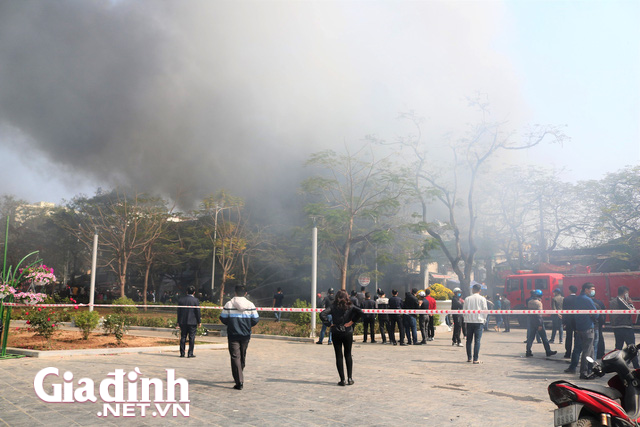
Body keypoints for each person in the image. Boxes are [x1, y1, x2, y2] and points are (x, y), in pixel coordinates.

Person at [220, 285, 260, 390]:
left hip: (233, 334)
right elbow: (255, 319)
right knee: (242, 355)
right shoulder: (250, 304)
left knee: (235, 356)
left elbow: (223, 318)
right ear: (245, 293)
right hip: (246, 334)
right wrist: (247, 325)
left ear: (235, 292)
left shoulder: (229, 304)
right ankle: (239, 373)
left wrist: (231, 323)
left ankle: (239, 380)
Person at [320, 289, 362, 386]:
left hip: (336, 332)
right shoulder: (350, 306)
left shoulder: (333, 306)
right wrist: (352, 321)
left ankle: (342, 380)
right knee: (348, 354)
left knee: (338, 355)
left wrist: (329, 324)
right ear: (347, 296)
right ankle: (350, 378)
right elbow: (360, 311)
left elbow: (322, 314)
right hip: (348, 332)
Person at [564, 283, 599, 379]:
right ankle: (584, 372)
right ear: (586, 290)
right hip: (588, 327)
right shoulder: (587, 300)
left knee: (587, 350)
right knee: (587, 352)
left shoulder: (578, 299)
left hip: (579, 328)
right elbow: (596, 314)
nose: (593, 291)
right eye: (592, 289)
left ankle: (590, 370)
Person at [609, 286, 640, 369]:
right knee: (632, 348)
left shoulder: (612, 301)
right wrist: (630, 303)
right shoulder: (622, 300)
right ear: (625, 293)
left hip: (616, 327)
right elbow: (632, 311)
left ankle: (615, 364)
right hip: (626, 327)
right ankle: (636, 366)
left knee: (618, 347)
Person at [525, 289, 557, 358]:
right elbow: (539, 314)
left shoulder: (530, 301)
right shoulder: (539, 303)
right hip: (538, 322)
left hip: (531, 321)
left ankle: (528, 351)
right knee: (544, 338)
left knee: (531, 338)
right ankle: (548, 351)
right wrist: (540, 324)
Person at [463, 284, 487, 364]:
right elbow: (485, 310)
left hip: (469, 322)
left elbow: (464, 310)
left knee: (468, 340)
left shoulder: (467, 299)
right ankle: (475, 359)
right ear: (480, 290)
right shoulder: (482, 299)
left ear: (472, 289)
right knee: (477, 341)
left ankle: (469, 358)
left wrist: (466, 318)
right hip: (479, 322)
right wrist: (484, 319)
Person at [176, 286, 201, 358]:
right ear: (194, 292)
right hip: (192, 322)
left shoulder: (181, 300)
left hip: (183, 321)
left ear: (186, 292)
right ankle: (190, 353)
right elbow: (197, 311)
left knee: (183, 337)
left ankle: (182, 353)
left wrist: (178, 321)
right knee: (192, 337)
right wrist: (199, 321)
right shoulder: (195, 300)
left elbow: (179, 312)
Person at [562, 285, 579, 358]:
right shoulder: (578, 299)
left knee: (568, 337)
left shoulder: (566, 299)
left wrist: (564, 322)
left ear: (570, 290)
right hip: (576, 320)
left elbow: (564, 311)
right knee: (577, 336)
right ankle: (576, 352)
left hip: (568, 320)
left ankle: (567, 353)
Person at [591, 292, 606, 360]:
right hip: (599, 323)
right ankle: (601, 353)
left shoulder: (589, 303)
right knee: (600, 338)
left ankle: (594, 356)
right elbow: (603, 313)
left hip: (592, 324)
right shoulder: (600, 302)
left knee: (593, 341)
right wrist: (603, 323)